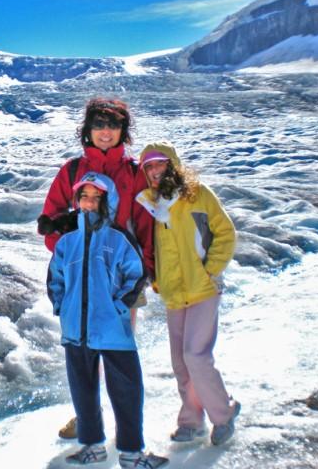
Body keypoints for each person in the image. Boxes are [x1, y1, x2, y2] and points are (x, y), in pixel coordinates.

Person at [37, 97, 151, 438]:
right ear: (87, 130)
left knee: (115, 348)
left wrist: (142, 268)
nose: (105, 132)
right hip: (79, 278)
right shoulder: (71, 171)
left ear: (123, 132)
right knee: (84, 349)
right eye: (99, 125)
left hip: (119, 279)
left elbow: (144, 222)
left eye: (113, 125)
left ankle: (123, 423)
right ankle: (87, 419)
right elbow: (53, 218)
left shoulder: (133, 172)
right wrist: (69, 257)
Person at [47, 172, 169, 468]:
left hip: (112, 329)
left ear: (107, 202)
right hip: (76, 331)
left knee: (126, 388)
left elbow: (135, 274)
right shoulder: (67, 242)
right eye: (84, 197)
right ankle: (92, 446)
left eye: (96, 198)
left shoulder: (117, 239)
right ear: (77, 202)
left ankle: (131, 452)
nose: (89, 203)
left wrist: (117, 306)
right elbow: (55, 279)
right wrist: (63, 308)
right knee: (83, 389)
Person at [133, 141, 240, 446]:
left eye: (160, 163)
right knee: (180, 361)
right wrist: (158, 280)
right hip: (173, 293)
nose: (154, 171)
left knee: (196, 355)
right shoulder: (150, 203)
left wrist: (211, 269)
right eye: (148, 167)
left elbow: (225, 232)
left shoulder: (198, 194)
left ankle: (224, 414)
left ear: (173, 164)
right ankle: (191, 420)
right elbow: (152, 247)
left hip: (203, 288)